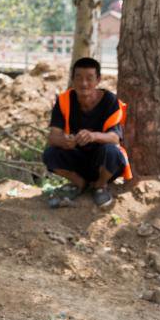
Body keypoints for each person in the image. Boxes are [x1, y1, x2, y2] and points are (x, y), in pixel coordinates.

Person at [42, 57, 132, 208]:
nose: (84, 84)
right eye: (79, 78)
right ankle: (79, 183)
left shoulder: (110, 101)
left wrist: (93, 136)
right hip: (77, 158)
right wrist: (65, 141)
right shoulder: (64, 100)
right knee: (50, 154)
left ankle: (100, 186)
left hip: (103, 163)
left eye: (89, 78)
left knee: (112, 152)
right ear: (72, 79)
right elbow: (53, 136)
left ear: (98, 80)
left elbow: (115, 138)